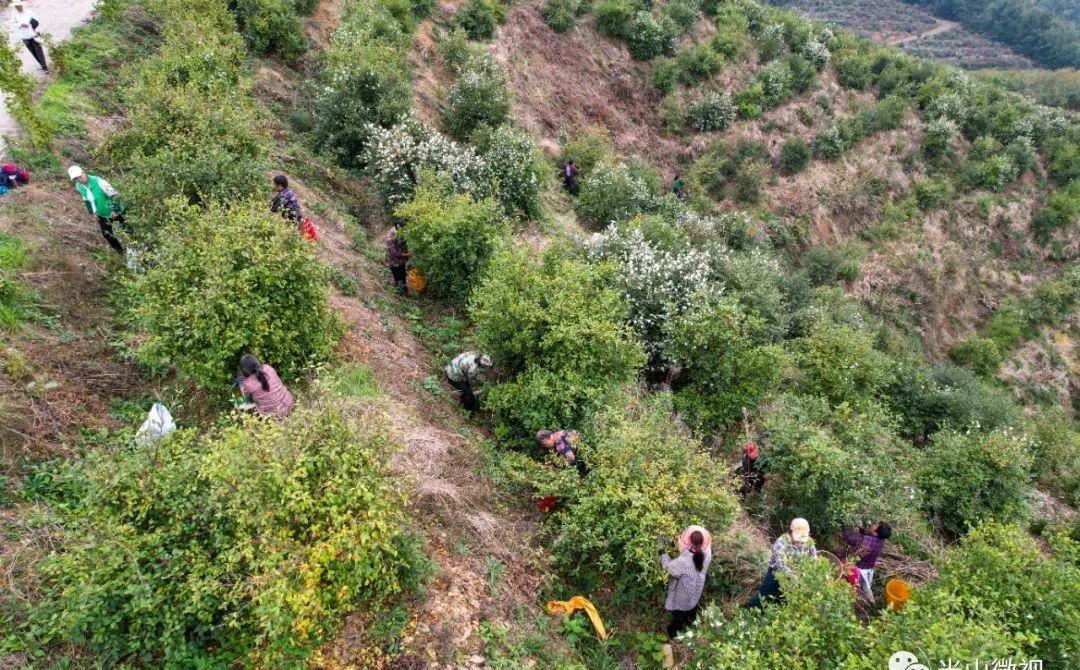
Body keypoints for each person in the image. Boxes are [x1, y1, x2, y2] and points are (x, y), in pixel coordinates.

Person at [746, 518, 817, 609]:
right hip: (777, 573)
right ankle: (750, 611)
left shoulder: (809, 542)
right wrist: (793, 577)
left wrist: (809, 574)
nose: (799, 541)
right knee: (765, 594)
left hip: (798, 574)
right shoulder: (781, 542)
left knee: (787, 600)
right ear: (791, 532)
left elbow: (814, 559)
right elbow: (781, 564)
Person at [659, 526, 712, 638]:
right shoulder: (707, 552)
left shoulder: (684, 561)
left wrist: (662, 552)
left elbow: (669, 568)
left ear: (688, 543)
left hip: (683, 593)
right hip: (697, 587)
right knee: (692, 605)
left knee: (678, 614)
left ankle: (673, 632)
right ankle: (691, 622)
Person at [69, 165, 126, 254]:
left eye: (80, 176)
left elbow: (114, 195)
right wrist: (93, 212)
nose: (79, 179)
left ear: (84, 172)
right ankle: (121, 253)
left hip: (117, 210)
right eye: (76, 179)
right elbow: (86, 199)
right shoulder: (79, 186)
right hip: (101, 213)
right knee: (107, 234)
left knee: (128, 230)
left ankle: (140, 250)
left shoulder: (99, 182)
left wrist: (115, 210)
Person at [841, 522, 891, 601]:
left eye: (875, 525)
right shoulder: (881, 541)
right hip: (868, 568)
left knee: (841, 557)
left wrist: (843, 525)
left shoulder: (865, 540)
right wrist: (862, 530)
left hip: (857, 568)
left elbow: (849, 539)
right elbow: (870, 539)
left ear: (875, 530)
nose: (873, 525)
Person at [11, 2, 48, 73]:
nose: (18, 7)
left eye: (18, 6)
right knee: (33, 52)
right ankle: (42, 65)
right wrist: (21, 24)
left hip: (33, 34)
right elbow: (13, 23)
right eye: (16, 6)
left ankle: (45, 67)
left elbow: (36, 22)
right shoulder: (14, 14)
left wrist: (36, 32)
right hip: (24, 36)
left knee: (39, 51)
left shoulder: (28, 12)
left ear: (21, 5)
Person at [385, 227, 410, 295]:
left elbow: (403, 245)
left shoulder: (401, 233)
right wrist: (407, 254)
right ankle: (400, 294)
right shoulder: (390, 237)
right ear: (399, 227)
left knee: (403, 277)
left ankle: (405, 293)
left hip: (401, 261)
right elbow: (394, 253)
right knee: (398, 279)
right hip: (394, 262)